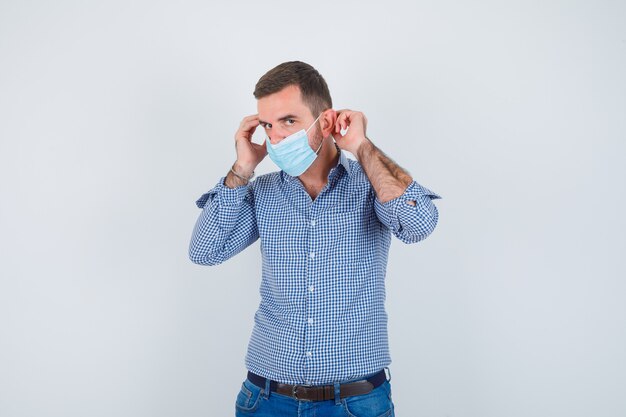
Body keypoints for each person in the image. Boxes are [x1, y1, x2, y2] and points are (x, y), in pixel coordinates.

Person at [189, 61, 441, 417]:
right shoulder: (261, 193)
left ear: (325, 122)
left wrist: (362, 146)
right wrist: (242, 168)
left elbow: (418, 224)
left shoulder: (371, 185)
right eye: (267, 125)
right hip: (265, 400)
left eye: (288, 121)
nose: (275, 137)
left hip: (355, 403)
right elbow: (204, 251)